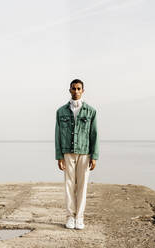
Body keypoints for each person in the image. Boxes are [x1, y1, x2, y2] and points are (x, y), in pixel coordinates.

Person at [55, 79, 99, 230]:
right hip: (67, 152)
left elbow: (94, 135)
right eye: (73, 88)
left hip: (84, 153)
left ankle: (79, 217)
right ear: (69, 90)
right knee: (68, 186)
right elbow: (57, 135)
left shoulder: (91, 111)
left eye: (79, 88)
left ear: (83, 90)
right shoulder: (61, 111)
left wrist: (94, 156)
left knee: (82, 186)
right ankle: (70, 217)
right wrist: (59, 156)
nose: (76, 91)